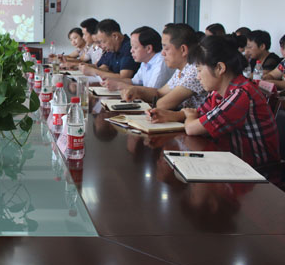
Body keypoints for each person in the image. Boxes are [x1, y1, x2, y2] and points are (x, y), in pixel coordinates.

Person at [148, 35, 279, 169]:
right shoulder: (217, 92)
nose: (198, 77)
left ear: (220, 68)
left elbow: (191, 128)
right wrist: (168, 115)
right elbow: (199, 113)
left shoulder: (241, 94)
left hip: (257, 172)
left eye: (199, 70)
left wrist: (190, 117)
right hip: (230, 163)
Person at [122, 23, 206, 110]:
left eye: (166, 48)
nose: (162, 53)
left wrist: (143, 95)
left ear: (183, 50)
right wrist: (136, 90)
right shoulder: (181, 69)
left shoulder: (194, 70)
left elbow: (163, 104)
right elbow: (160, 93)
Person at [103, 26, 174, 90]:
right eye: (131, 47)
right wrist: (112, 81)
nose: (131, 51)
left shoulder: (161, 62)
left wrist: (119, 85)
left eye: (135, 47)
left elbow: (152, 91)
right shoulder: (145, 61)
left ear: (148, 48)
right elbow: (134, 82)